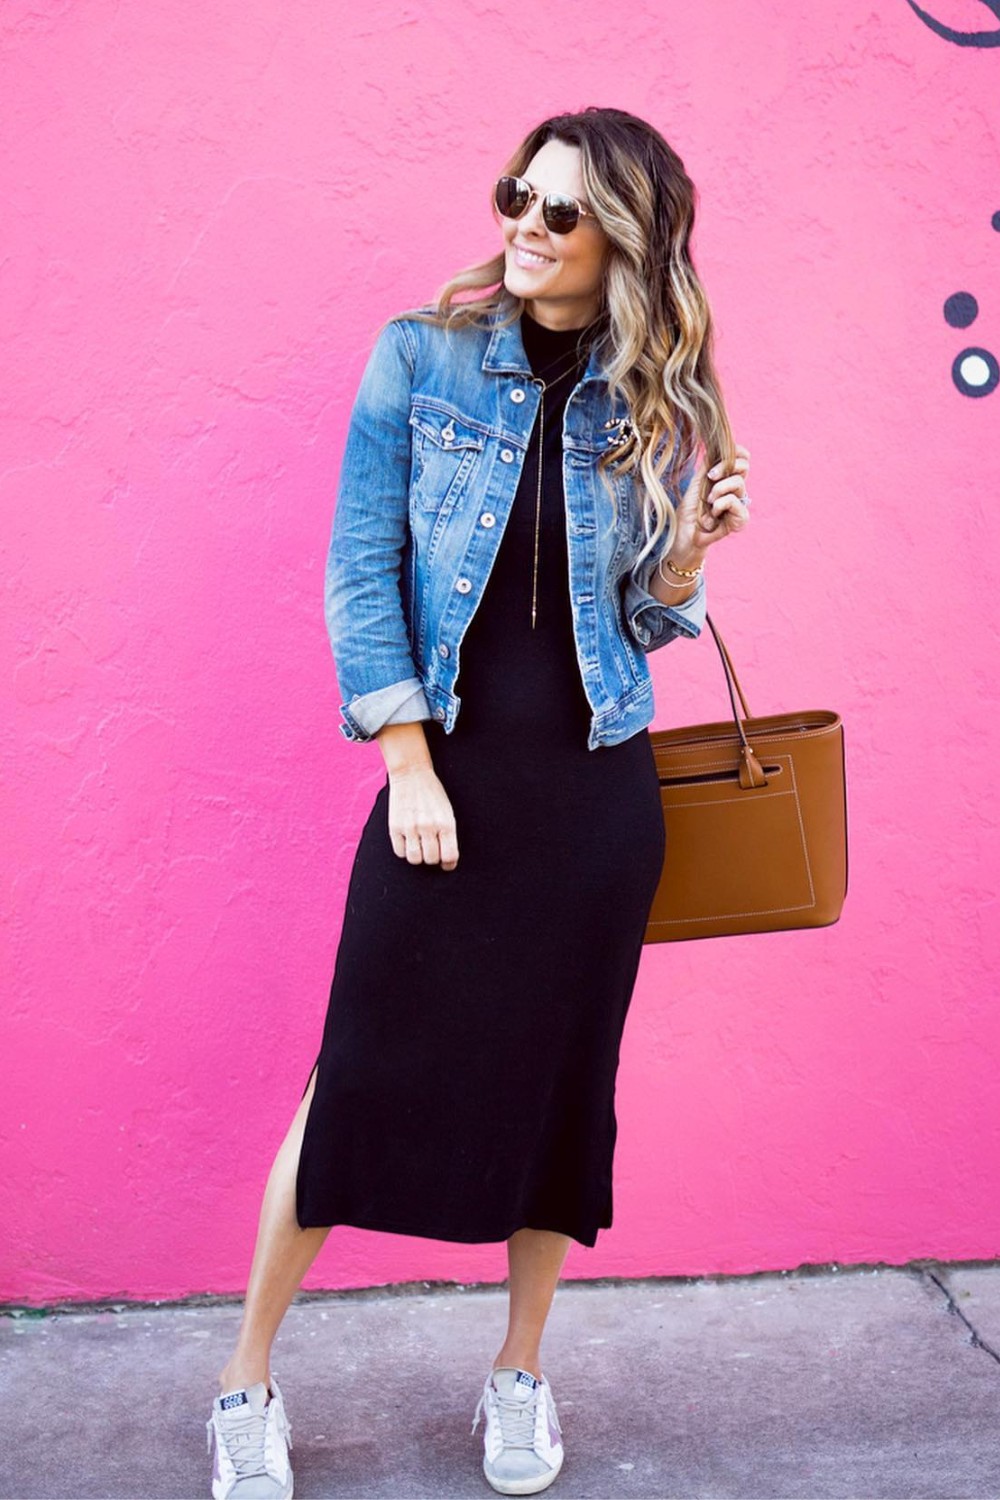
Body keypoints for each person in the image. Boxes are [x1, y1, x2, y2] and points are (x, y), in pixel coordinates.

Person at [205, 105, 751, 1500]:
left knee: (564, 1094)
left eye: (560, 211)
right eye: (518, 193)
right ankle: (244, 1383)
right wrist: (407, 765)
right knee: (350, 1084)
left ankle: (518, 1374)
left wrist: (691, 555)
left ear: (622, 240)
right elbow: (358, 569)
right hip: (442, 789)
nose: (525, 224)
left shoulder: (661, 401)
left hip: (593, 803)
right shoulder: (423, 355)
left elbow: (640, 621)